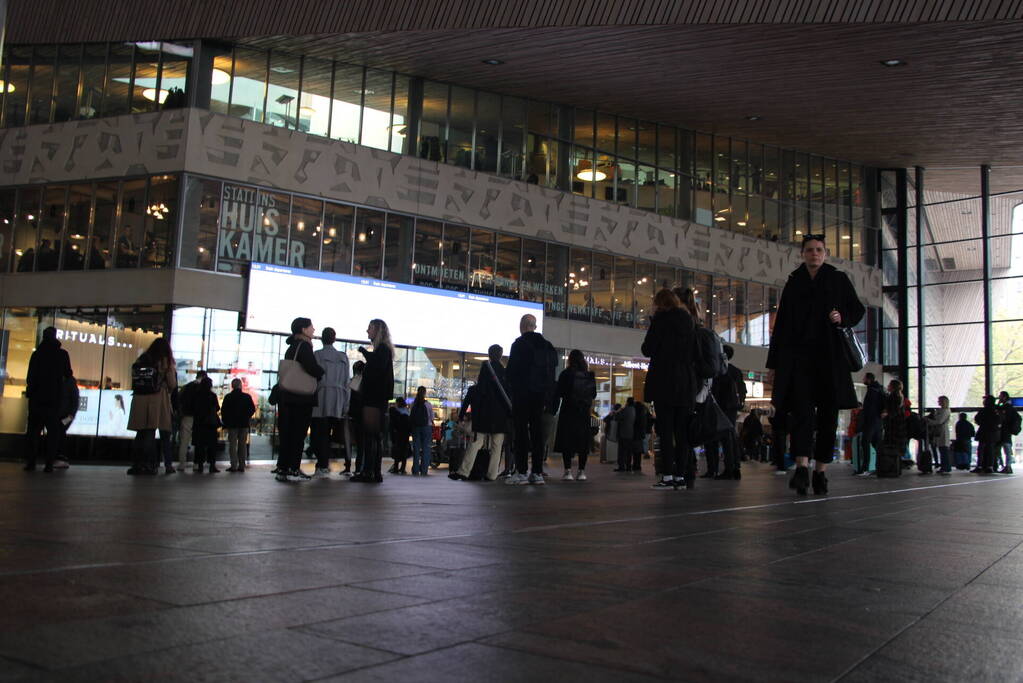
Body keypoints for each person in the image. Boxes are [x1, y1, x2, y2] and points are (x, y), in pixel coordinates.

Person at [766, 234, 865, 496]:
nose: (814, 254)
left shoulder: (838, 279)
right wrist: (774, 363)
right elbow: (782, 325)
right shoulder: (794, 282)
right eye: (809, 250)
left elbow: (857, 310)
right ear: (802, 254)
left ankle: (820, 471)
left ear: (826, 253)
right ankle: (801, 467)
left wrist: (842, 317)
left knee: (828, 418)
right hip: (799, 360)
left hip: (831, 359)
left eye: (819, 250)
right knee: (801, 414)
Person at [642, 288, 698, 490]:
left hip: (664, 381)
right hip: (685, 383)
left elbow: (646, 349)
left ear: (660, 303)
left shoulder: (660, 321)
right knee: (682, 432)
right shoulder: (689, 321)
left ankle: (666, 476)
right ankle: (681, 476)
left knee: (665, 432)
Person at [505, 313, 557, 485]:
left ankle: (521, 472)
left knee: (520, 433)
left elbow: (511, 372)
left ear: (522, 326)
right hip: (540, 397)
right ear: (534, 326)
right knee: (537, 434)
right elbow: (551, 375)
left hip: (522, 395)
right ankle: (537, 472)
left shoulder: (519, 344)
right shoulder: (548, 346)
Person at [451, 344, 512, 482]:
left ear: (489, 354)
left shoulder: (485, 371)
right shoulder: (504, 373)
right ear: (501, 355)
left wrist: (462, 416)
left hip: (483, 416)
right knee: (497, 446)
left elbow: (475, 394)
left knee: (476, 443)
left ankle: (464, 471)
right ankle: (492, 474)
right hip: (500, 417)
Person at [274, 317, 324, 482]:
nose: (314, 329)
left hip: (288, 397)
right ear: (303, 329)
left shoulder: (293, 346)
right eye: (311, 327)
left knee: (288, 433)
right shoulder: (304, 346)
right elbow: (311, 367)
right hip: (300, 398)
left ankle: (283, 467)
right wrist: (320, 371)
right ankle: (293, 468)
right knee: (298, 433)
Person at [24, 326, 73, 472]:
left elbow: (30, 376)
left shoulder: (37, 354)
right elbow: (68, 373)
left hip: (37, 399)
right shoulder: (62, 354)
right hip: (53, 400)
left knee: (33, 432)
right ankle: (49, 464)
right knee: (53, 434)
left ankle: (31, 462)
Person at [351, 319, 394, 483]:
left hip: (374, 399)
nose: (367, 331)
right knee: (374, 436)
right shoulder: (384, 350)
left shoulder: (382, 350)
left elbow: (376, 367)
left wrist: (364, 353)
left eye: (370, 328)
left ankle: (370, 471)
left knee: (371, 436)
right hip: (378, 399)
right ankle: (373, 471)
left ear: (378, 331)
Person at [127, 338, 177, 475]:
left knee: (140, 433)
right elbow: (172, 383)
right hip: (155, 399)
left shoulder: (143, 358)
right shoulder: (165, 362)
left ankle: (136, 464)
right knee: (150, 432)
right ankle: (148, 465)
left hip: (139, 399)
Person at [311, 327, 351, 478]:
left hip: (321, 398)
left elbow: (314, 378)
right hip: (338, 400)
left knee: (319, 434)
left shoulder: (318, 355)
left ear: (322, 338)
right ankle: (325, 463)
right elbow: (347, 382)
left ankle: (322, 464)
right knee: (330, 434)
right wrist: (346, 403)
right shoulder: (342, 357)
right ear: (334, 339)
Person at [551, 349, 597, 481]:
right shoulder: (589, 375)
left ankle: (568, 471)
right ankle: (581, 472)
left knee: (567, 441)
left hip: (568, 412)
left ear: (570, 359)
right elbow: (593, 394)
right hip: (583, 413)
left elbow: (559, 392)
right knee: (583, 443)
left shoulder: (566, 374)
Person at [706, 344, 745, 480]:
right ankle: (735, 467)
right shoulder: (736, 371)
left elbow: (714, 391)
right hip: (732, 409)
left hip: (719, 408)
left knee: (714, 437)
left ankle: (716, 469)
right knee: (730, 437)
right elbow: (742, 390)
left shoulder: (719, 370)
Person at [221, 378, 256, 472]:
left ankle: (233, 465)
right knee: (242, 445)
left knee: (232, 445)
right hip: (243, 424)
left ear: (232, 386)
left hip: (232, 424)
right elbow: (252, 409)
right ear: (241, 386)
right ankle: (241, 465)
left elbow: (223, 411)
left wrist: (226, 421)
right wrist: (246, 416)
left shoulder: (228, 397)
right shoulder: (246, 397)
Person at [177, 371, 207, 472]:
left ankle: (182, 464)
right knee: (199, 442)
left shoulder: (186, 387)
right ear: (204, 377)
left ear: (196, 376)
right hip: (200, 418)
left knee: (184, 441)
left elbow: (179, 400)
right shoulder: (204, 389)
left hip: (187, 417)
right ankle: (196, 464)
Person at [191, 376, 221, 473]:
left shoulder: (196, 395)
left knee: (200, 445)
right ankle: (212, 466)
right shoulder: (212, 395)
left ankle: (200, 465)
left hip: (199, 423)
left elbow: (194, 408)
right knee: (212, 445)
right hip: (210, 424)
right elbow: (217, 408)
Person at [856, 372, 884, 475]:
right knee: (875, 444)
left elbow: (870, 407)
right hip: (877, 421)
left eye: (864, 378)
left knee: (865, 442)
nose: (863, 380)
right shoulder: (878, 389)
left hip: (871, 421)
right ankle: (879, 466)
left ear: (869, 379)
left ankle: (865, 467)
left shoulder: (873, 390)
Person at [408, 386, 435, 476]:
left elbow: (411, 416)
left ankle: (415, 470)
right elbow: (432, 418)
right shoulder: (428, 404)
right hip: (426, 428)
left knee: (416, 449)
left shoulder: (413, 404)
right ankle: (424, 470)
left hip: (416, 428)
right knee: (426, 449)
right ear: (425, 393)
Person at [973, 395, 1002, 475]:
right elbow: (999, 420)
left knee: (981, 450)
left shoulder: (984, 410)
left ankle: (980, 466)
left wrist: (983, 423)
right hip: (992, 433)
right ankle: (989, 466)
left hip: (984, 432)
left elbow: (977, 419)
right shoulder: (996, 410)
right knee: (990, 450)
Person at [925, 395, 952, 475]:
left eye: (939, 400)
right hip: (940, 432)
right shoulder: (942, 410)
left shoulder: (944, 411)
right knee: (942, 450)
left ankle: (946, 467)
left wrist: (927, 420)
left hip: (942, 432)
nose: (938, 402)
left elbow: (939, 421)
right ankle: (945, 466)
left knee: (944, 450)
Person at [996, 391, 1018, 474]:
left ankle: (1006, 466)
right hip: (1007, 432)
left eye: (1000, 396)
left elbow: (998, 411)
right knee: (1006, 449)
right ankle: (1007, 466)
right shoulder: (1010, 407)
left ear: (1004, 397)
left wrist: (998, 404)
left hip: (1004, 432)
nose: (999, 398)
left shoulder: (1006, 407)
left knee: (1003, 449)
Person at [614, 397, 637, 472]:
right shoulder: (633, 410)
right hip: (631, 433)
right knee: (629, 451)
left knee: (622, 451)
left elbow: (617, 418)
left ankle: (621, 466)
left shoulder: (625, 409)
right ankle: (628, 466)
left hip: (623, 433)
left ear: (627, 402)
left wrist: (618, 411)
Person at [389, 398, 411, 474]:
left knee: (397, 450)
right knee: (404, 451)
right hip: (406, 435)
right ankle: (402, 468)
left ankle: (395, 467)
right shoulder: (407, 412)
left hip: (398, 434)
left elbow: (393, 424)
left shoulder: (396, 412)